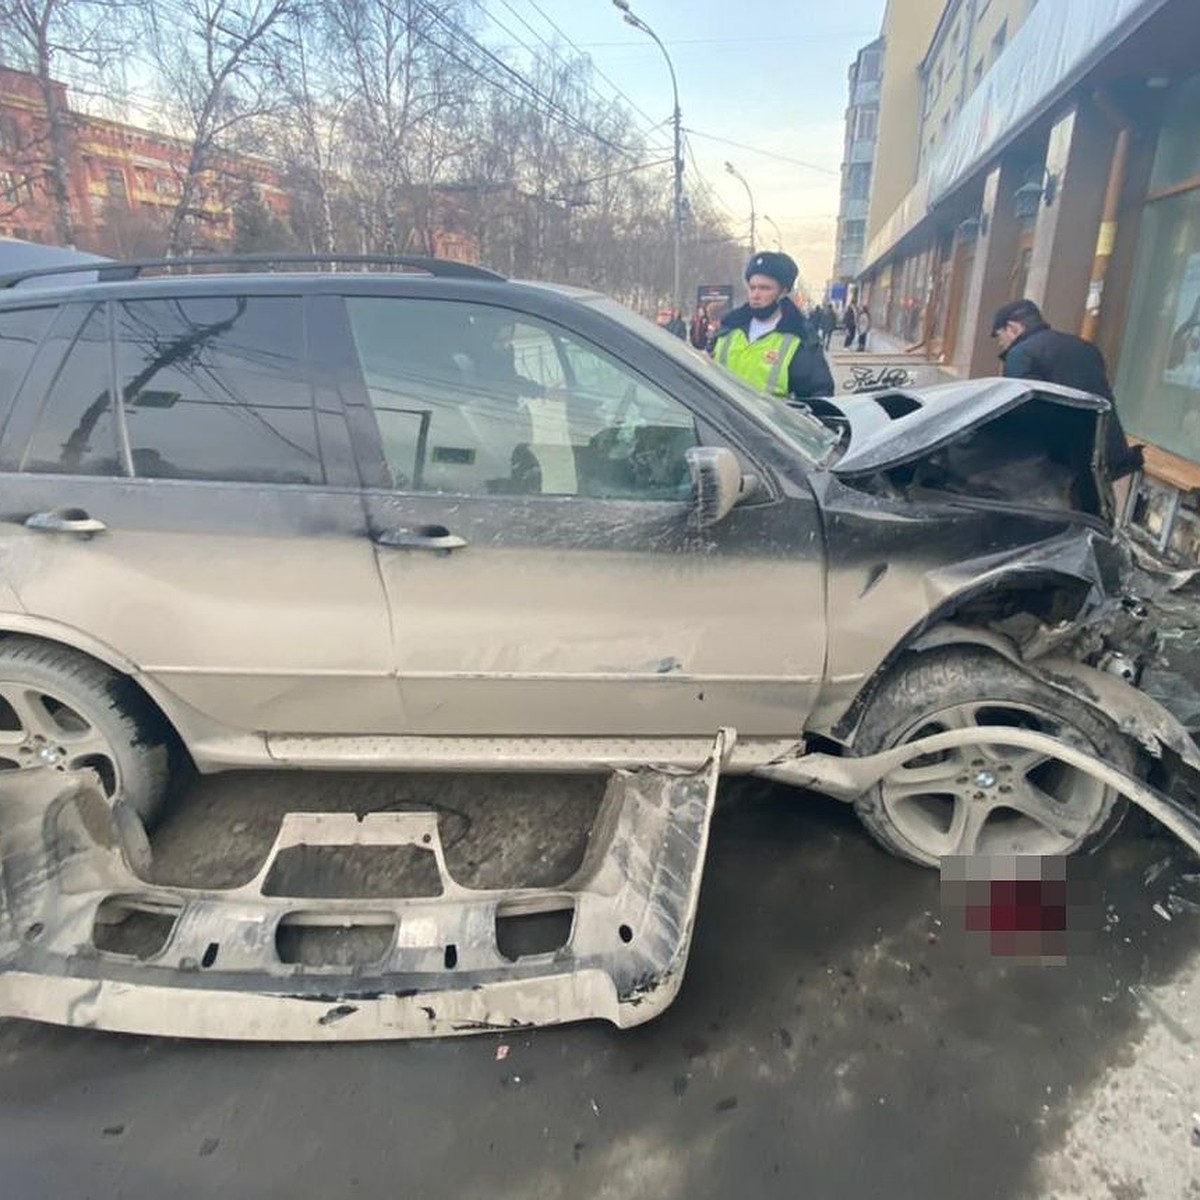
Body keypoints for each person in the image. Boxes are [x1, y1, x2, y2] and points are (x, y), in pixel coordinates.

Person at [990, 298, 1142, 478]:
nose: (1000, 344)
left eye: (999, 336)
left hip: (1063, 464)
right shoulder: (1085, 348)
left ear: (1013, 327)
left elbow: (1021, 413)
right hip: (1107, 453)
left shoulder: (1021, 354)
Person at [710, 251, 834, 401]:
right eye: (752, 287)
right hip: (718, 422)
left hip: (768, 424)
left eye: (764, 288)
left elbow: (819, 396)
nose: (755, 295)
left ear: (783, 291)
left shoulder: (800, 339)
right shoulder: (728, 330)